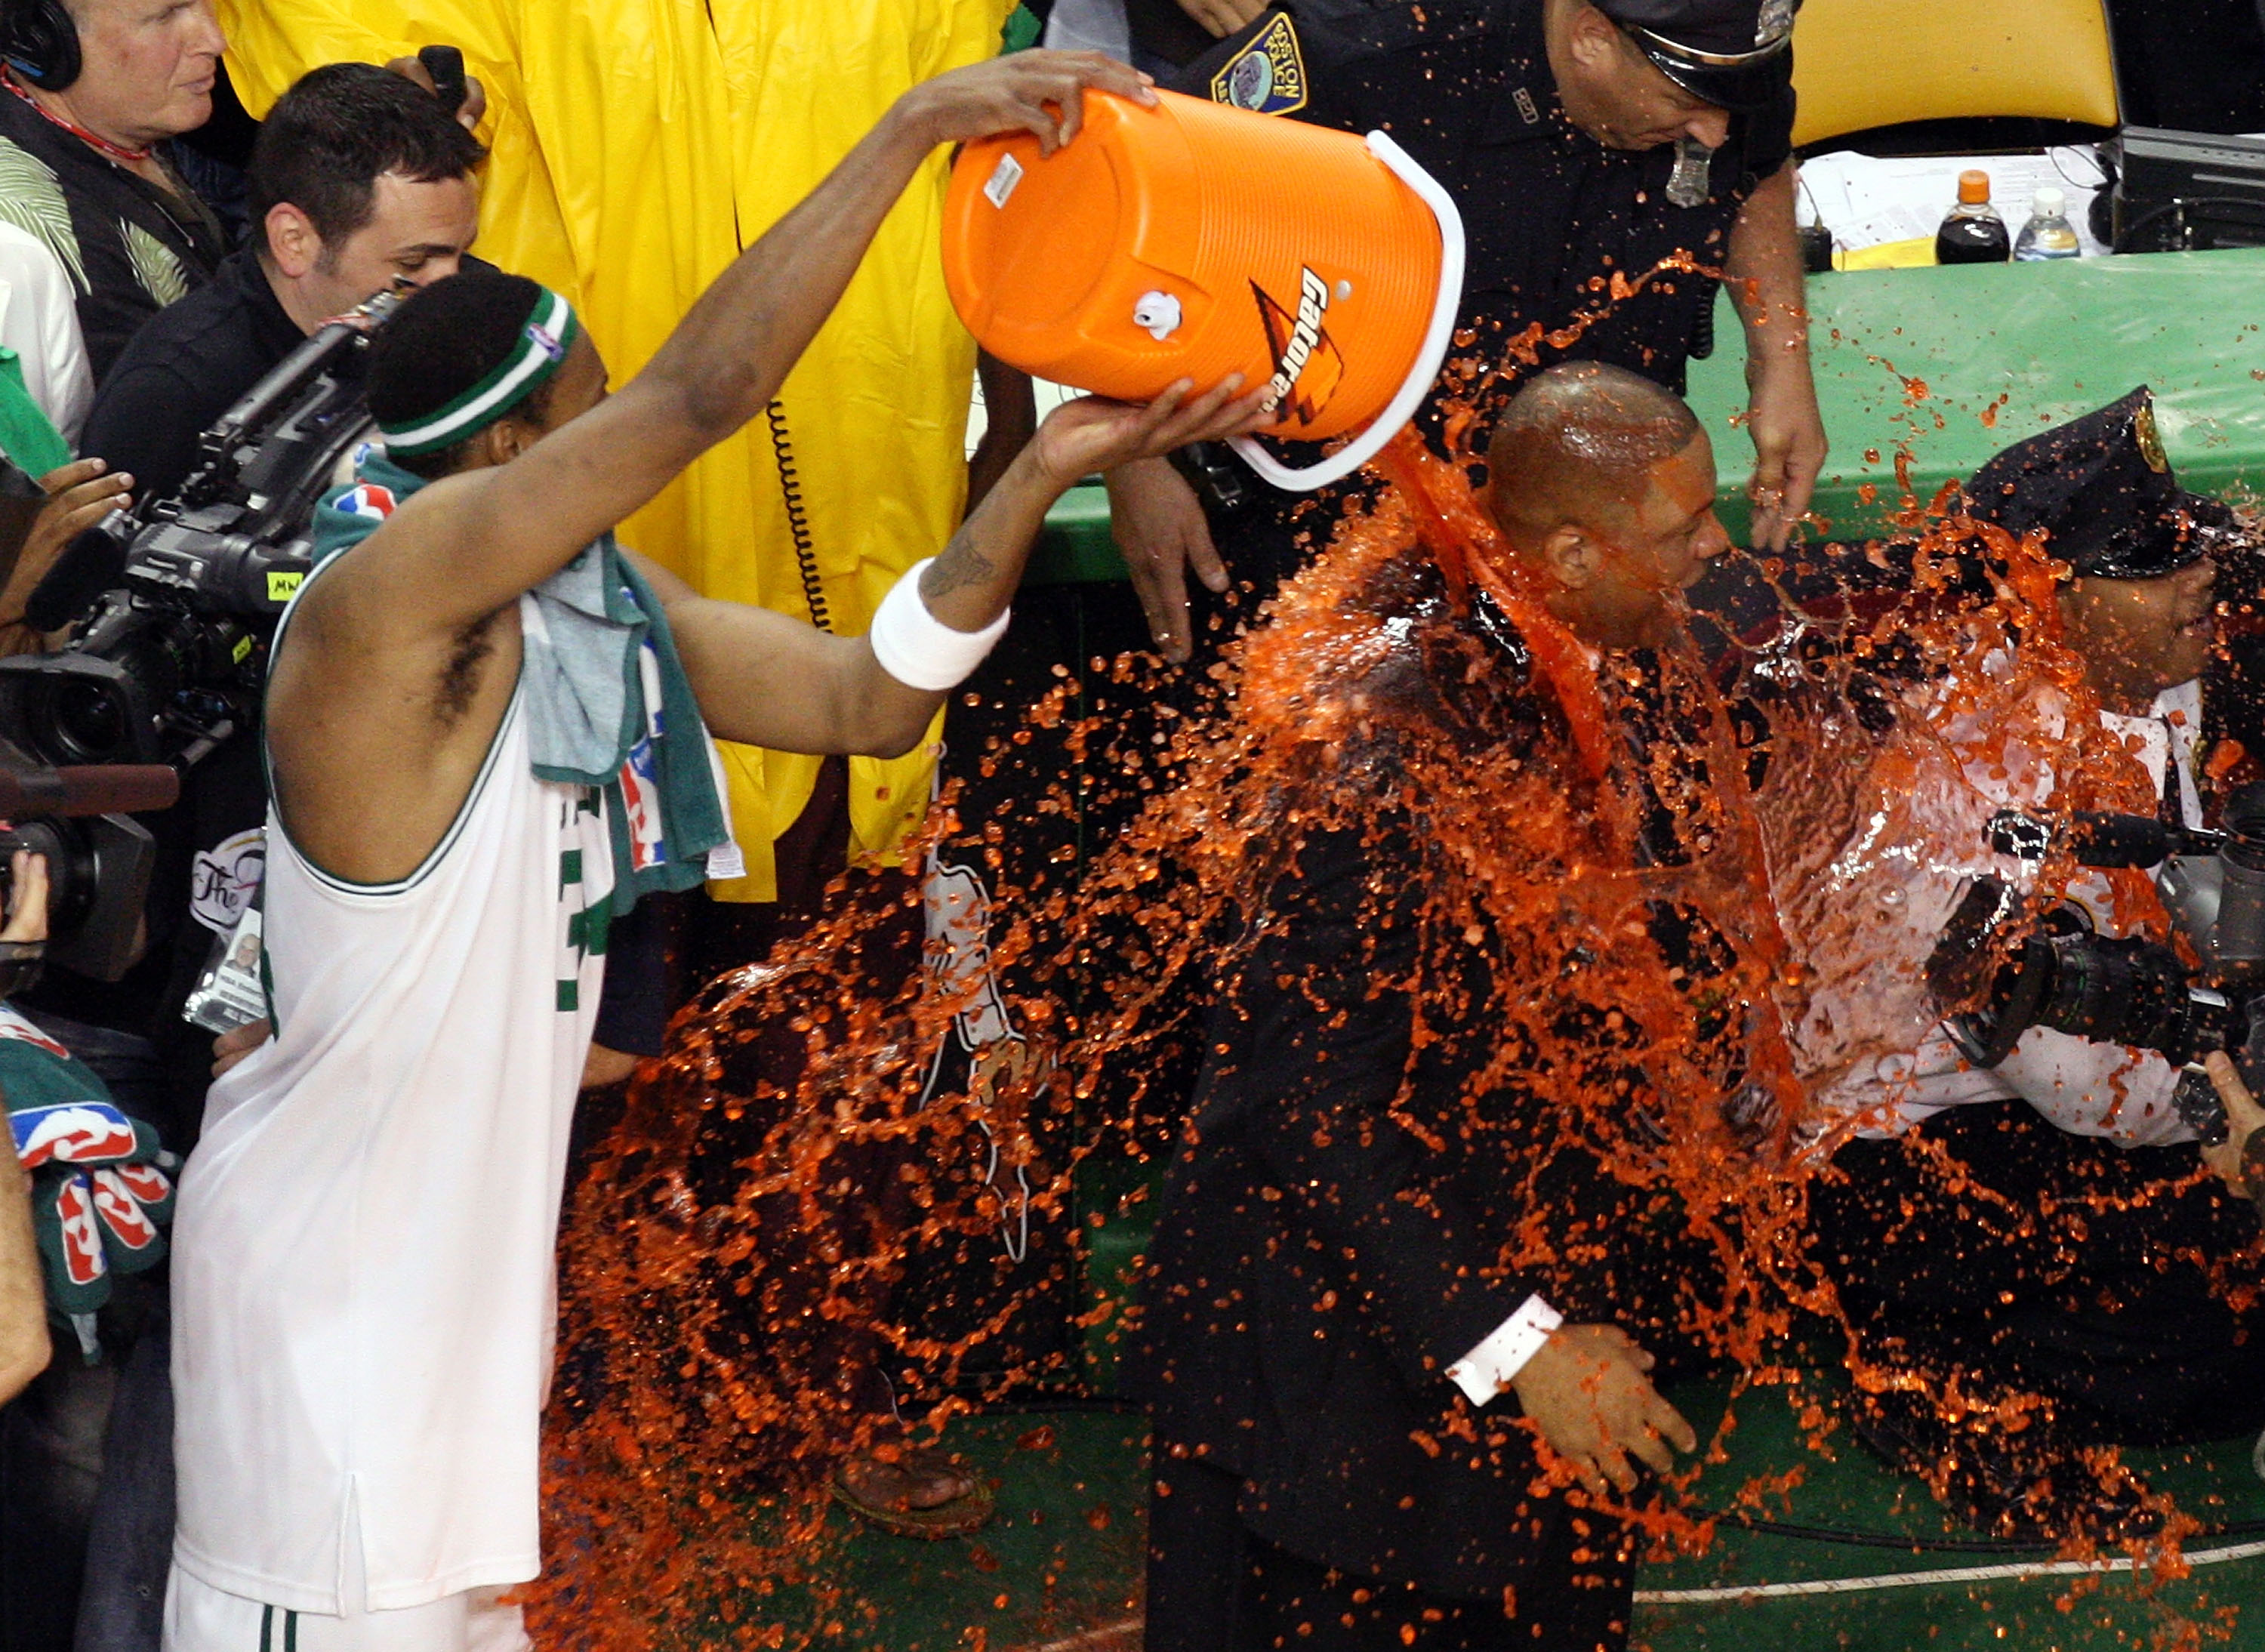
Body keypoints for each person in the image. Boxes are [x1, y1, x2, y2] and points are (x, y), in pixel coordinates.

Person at [166, 51, 1268, 1652]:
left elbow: (869, 697)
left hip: (443, 1344)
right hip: (327, 1356)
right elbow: (700, 398)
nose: (615, 436)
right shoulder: (377, 606)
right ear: (507, 457)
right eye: (583, 418)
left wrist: (1033, 474)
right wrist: (906, 134)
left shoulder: (594, 604)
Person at [1127, 362, 1807, 1652]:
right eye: (1681, 530)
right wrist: (1521, 1346)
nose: (1715, 550)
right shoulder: (1385, 746)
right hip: (1330, 1388)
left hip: (1510, 1312)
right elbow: (1308, 1101)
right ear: (1566, 547)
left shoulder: (1577, 642)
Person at [1807, 388, 2265, 1535]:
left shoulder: (2133, 669)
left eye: (2186, 540)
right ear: (2048, 600)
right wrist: (2243, 1120)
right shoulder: (1970, 796)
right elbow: (2109, 1097)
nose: (2197, 575)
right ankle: (1929, 1373)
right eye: (2156, 560)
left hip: (2078, 1063)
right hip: (1925, 1161)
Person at [1102, 0, 1827, 661]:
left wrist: (1781, 360)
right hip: (1339, 502)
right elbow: (1118, 199)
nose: (1713, 130)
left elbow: (1757, 160)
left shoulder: (1719, 46)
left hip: (1588, 506)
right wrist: (1134, 461)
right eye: (1685, 105)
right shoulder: (1366, 55)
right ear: (1591, 36)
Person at [80, 61, 482, 506]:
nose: (452, 287)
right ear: (295, 240)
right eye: (414, 261)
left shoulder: (480, 306)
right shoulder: (170, 399)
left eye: (460, 252)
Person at [0, 0, 229, 379]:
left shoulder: (119, 124)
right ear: (42, 40)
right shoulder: (44, 232)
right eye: (166, 16)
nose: (215, 39)